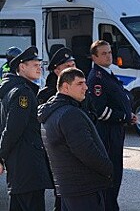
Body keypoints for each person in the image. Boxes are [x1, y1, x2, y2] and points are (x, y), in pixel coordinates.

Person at [38, 67, 113, 211]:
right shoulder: (70, 114)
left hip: (70, 191)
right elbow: (86, 151)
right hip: (84, 191)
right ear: (65, 87)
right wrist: (108, 168)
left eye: (85, 83)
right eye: (80, 83)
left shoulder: (53, 112)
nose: (86, 87)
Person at [0, 46, 53, 211]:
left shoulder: (17, 88)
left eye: (40, 64)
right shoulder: (23, 93)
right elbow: (12, 130)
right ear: (22, 67)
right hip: (27, 166)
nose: (39, 67)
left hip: (21, 166)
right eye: (34, 64)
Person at [87, 40, 137, 211]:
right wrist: (123, 116)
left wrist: (128, 115)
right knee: (110, 177)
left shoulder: (108, 74)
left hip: (116, 130)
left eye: (109, 52)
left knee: (116, 176)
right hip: (107, 133)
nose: (109, 56)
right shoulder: (97, 78)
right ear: (94, 57)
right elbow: (101, 111)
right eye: (104, 53)